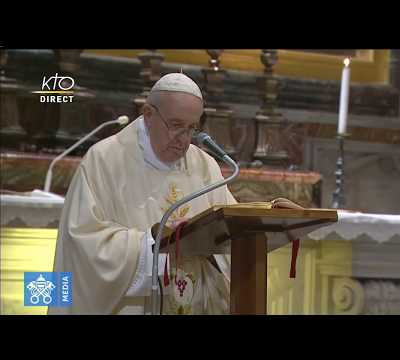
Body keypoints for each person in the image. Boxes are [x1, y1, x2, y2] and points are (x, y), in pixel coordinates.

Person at [48, 73, 300, 315]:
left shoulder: (204, 165)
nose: (184, 139)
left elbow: (230, 228)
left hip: (197, 300)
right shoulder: (105, 160)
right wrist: (151, 244)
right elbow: (81, 243)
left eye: (192, 128)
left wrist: (269, 215)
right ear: (148, 115)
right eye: (176, 125)